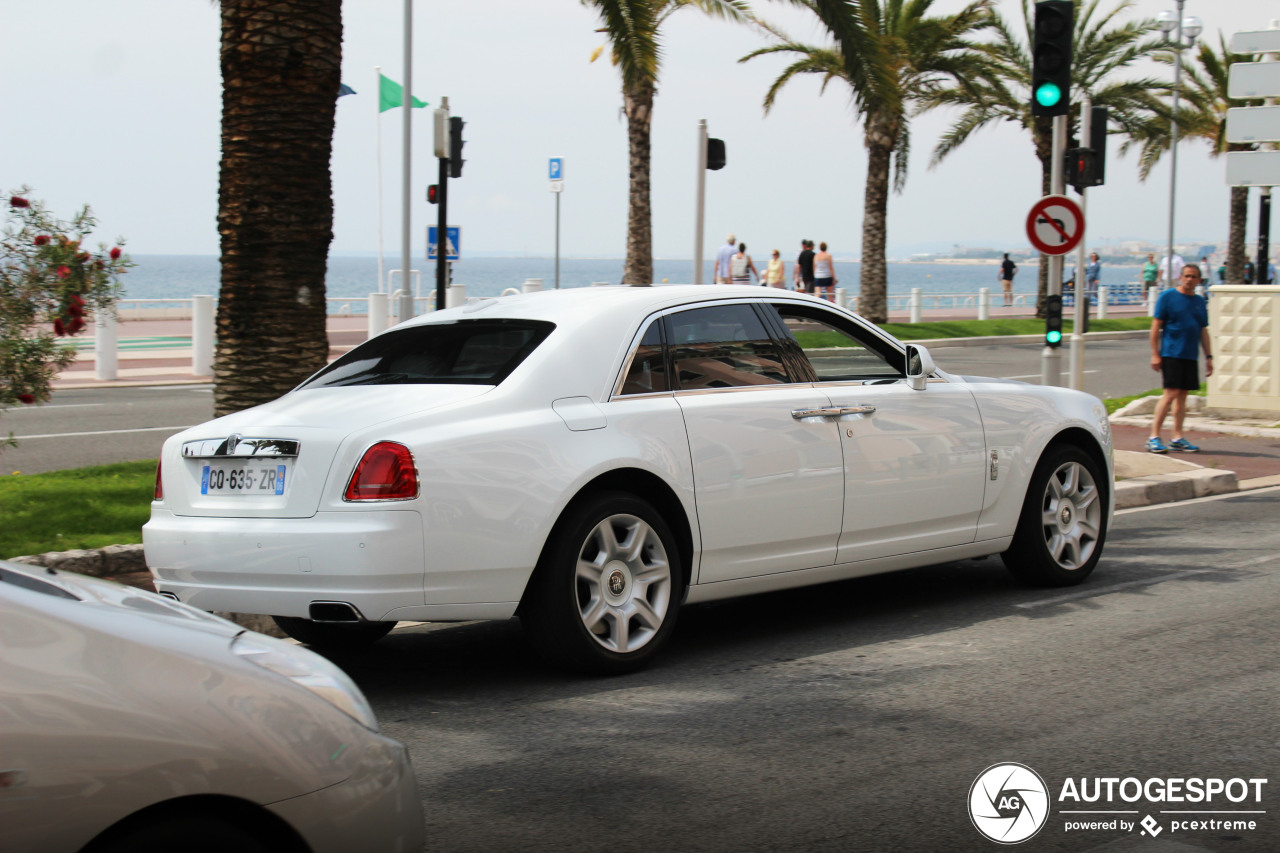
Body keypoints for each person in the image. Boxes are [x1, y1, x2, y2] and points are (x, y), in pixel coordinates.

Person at [1147, 264, 1212, 454]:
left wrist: (1209, 357)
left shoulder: (1200, 302)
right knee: (1170, 394)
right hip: (1171, 353)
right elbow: (1155, 327)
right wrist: (1155, 353)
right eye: (1186, 276)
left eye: (1194, 276)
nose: (1189, 279)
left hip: (1190, 355)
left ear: (1199, 280)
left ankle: (1177, 437)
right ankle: (1153, 436)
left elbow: (1203, 330)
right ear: (1180, 277)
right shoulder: (1168, 297)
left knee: (1182, 396)